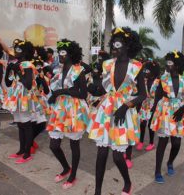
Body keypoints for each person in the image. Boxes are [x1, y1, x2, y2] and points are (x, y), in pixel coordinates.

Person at [87, 27, 145, 195]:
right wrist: (92, 88)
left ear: (128, 45)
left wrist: (126, 106)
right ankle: (97, 190)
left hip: (124, 112)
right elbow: (104, 88)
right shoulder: (107, 64)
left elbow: (143, 94)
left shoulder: (137, 66)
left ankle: (127, 182)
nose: (114, 48)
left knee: (118, 157)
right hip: (106, 110)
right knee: (101, 153)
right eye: (113, 44)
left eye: (118, 44)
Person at [46, 39, 89, 189]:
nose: (60, 55)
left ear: (71, 54)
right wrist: (54, 93)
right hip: (60, 109)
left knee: (74, 144)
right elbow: (54, 88)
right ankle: (66, 167)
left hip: (74, 110)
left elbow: (83, 93)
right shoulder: (58, 70)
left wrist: (60, 92)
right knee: (53, 144)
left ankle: (73, 175)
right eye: (59, 52)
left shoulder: (79, 70)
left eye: (63, 52)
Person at [151, 51, 184, 184]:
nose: (167, 65)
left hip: (179, 112)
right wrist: (154, 113)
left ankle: (170, 162)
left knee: (176, 142)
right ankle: (157, 171)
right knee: (162, 142)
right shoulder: (162, 80)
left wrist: (183, 109)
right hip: (165, 111)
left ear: (177, 65)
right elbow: (157, 96)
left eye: (170, 63)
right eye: (167, 62)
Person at [3, 39, 43, 164]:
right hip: (16, 97)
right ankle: (21, 150)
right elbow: (8, 82)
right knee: (20, 125)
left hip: (25, 98)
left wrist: (17, 71)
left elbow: (28, 85)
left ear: (25, 52)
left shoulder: (28, 65)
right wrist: (9, 69)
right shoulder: (17, 64)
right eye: (15, 49)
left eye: (19, 49)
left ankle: (27, 153)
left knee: (26, 125)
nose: (16, 51)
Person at [136, 60, 160, 152]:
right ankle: (141, 141)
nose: (145, 72)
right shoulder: (143, 80)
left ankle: (151, 143)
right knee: (142, 124)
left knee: (150, 125)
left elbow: (159, 95)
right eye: (144, 70)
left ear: (153, 71)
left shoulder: (158, 81)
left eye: (147, 71)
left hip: (154, 104)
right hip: (144, 104)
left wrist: (155, 107)